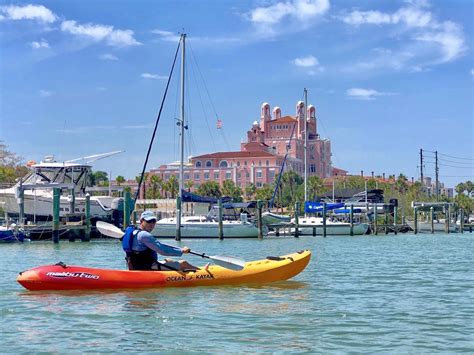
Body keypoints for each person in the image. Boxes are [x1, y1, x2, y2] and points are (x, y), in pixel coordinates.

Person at [123, 211, 198, 271]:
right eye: (149, 221)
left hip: (136, 267)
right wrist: (181, 251)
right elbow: (162, 250)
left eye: (154, 221)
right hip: (147, 268)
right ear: (142, 221)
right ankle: (203, 274)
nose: (152, 224)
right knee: (183, 263)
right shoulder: (144, 235)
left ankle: (200, 271)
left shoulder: (133, 233)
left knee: (169, 260)